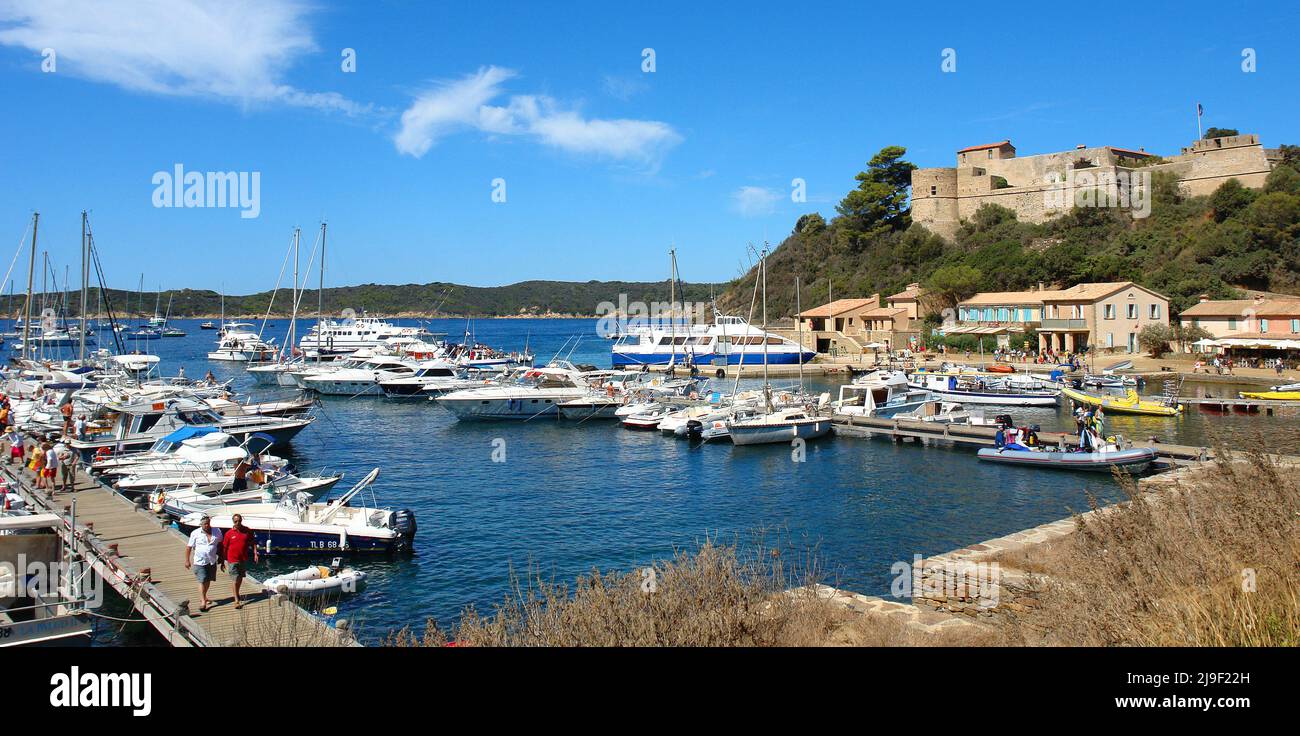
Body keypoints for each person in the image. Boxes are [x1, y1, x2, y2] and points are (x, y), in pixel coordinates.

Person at [219, 513, 259, 609]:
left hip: (243, 559)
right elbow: (224, 548)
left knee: (240, 578)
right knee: (235, 579)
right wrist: (222, 561)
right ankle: (236, 600)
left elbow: (252, 541)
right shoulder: (229, 534)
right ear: (233, 522)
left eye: (239, 521)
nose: (238, 523)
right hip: (232, 559)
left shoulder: (247, 530)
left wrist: (255, 553)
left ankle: (237, 593)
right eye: (236, 521)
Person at [185, 515, 222, 612]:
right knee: (202, 580)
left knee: (208, 579)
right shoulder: (195, 533)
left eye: (208, 523)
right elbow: (189, 547)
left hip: (212, 560)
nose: (207, 525)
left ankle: (204, 596)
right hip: (199, 561)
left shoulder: (216, 531)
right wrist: (187, 560)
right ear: (201, 524)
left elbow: (221, 543)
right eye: (205, 524)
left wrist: (222, 557)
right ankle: (202, 602)